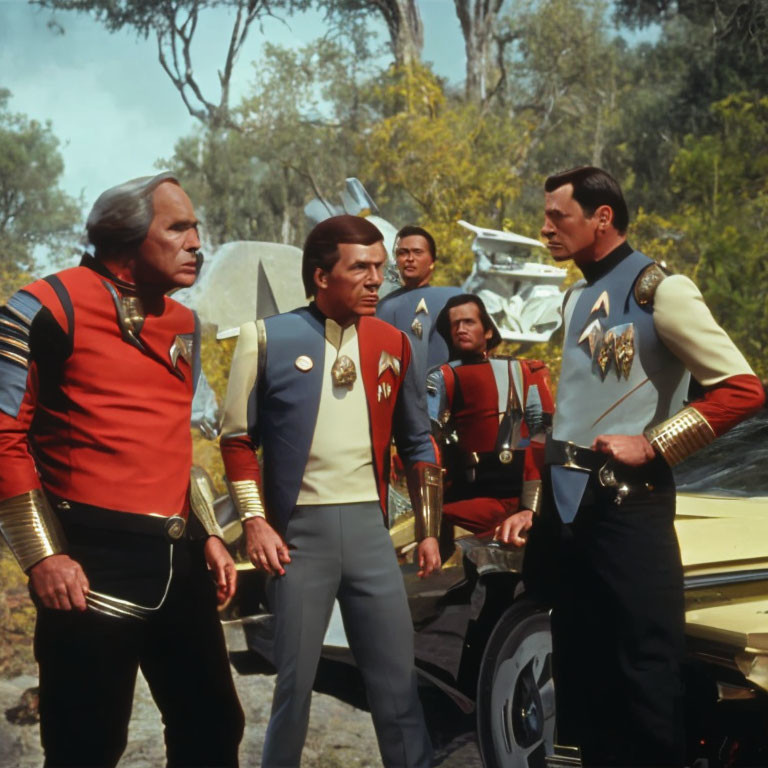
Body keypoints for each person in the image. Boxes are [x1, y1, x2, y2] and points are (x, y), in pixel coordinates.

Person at [524, 166, 766, 767]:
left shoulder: (660, 289)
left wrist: (655, 443)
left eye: (560, 215)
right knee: (582, 664)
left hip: (628, 503)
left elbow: (742, 389)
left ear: (601, 218)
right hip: (568, 507)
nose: (547, 227)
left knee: (645, 666)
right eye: (548, 215)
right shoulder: (578, 295)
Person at [0, 173, 244, 767]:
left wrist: (208, 531)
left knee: (214, 725)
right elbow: (4, 437)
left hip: (180, 562)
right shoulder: (41, 307)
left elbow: (172, 440)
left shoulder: (183, 323)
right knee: (86, 744)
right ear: (124, 238)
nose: (196, 242)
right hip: (88, 569)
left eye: (196, 228)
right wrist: (43, 557)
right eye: (178, 227)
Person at [219, 214, 442, 768]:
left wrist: (430, 529)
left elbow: (418, 443)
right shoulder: (265, 338)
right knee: (294, 691)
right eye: (360, 268)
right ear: (321, 276)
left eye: (380, 269)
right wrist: (255, 522)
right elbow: (237, 441)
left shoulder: (395, 342)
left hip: (372, 533)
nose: (375, 280)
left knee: (398, 689)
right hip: (299, 539)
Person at [427, 294, 554, 543]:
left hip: (525, 496)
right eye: (454, 324)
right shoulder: (442, 377)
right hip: (470, 498)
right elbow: (428, 442)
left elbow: (542, 437)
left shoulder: (527, 370)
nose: (461, 329)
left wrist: (532, 505)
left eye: (468, 322)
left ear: (487, 330)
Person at [376, 225, 462, 377]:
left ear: (432, 260)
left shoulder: (450, 304)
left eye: (417, 252)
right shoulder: (383, 306)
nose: (410, 259)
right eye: (403, 253)